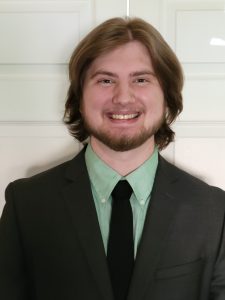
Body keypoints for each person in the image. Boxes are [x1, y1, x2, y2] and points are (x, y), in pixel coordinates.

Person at [0, 17, 225, 300]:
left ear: (167, 96)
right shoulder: (27, 205)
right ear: (79, 97)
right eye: (105, 80)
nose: (122, 97)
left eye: (141, 79)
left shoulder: (213, 211)